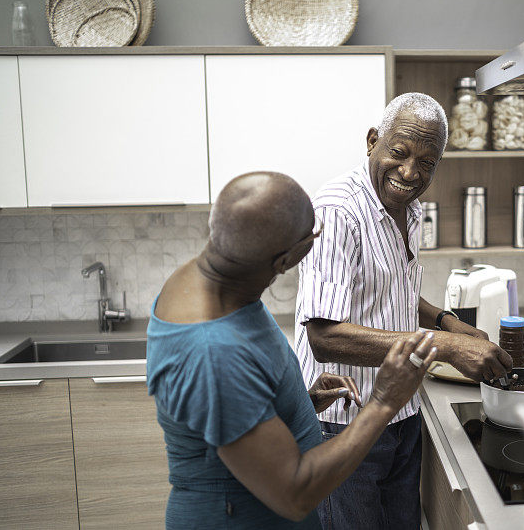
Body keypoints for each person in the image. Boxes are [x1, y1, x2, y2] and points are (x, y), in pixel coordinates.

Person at [147, 171, 439, 529]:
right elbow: (294, 493)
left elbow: (233, 409)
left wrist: (297, 402)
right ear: (284, 261)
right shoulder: (213, 354)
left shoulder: (210, 278)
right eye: (310, 240)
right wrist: (383, 400)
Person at [294, 92, 512, 529]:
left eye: (427, 162)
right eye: (399, 152)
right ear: (373, 140)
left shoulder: (408, 209)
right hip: (342, 420)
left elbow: (391, 291)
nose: (410, 172)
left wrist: (447, 321)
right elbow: (324, 336)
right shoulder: (339, 208)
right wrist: (445, 345)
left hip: (401, 411)